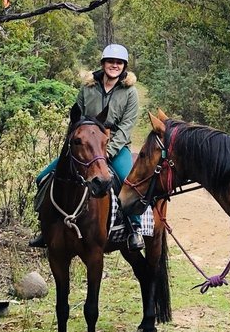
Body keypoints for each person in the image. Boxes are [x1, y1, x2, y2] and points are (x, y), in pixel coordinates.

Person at [29, 43, 145, 249]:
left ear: (124, 66)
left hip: (115, 147)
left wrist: (107, 151)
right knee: (43, 178)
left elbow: (127, 127)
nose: (114, 66)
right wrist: (71, 148)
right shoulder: (88, 87)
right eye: (111, 61)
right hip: (86, 148)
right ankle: (45, 227)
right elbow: (76, 120)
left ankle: (134, 229)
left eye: (119, 63)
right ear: (103, 63)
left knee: (129, 184)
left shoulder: (130, 93)